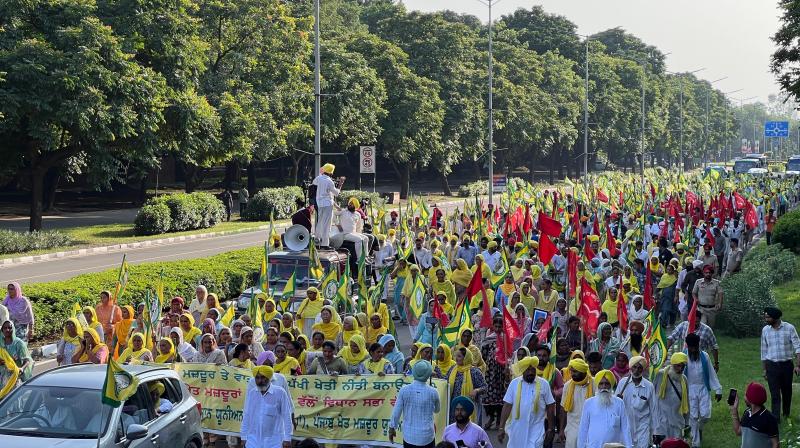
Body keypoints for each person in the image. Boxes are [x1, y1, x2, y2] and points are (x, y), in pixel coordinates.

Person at [497, 356, 556, 448]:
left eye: (533, 369)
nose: (531, 372)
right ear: (523, 371)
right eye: (528, 370)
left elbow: (550, 405)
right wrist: (501, 427)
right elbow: (507, 405)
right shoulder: (514, 383)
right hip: (517, 428)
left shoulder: (544, 384)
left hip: (536, 427)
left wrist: (551, 428)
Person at [760, 306, 800, 421]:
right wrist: (764, 369)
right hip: (771, 366)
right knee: (775, 394)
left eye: (768, 317)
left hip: (786, 365)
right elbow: (764, 350)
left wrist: (798, 365)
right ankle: (775, 418)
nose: (766, 319)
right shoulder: (765, 330)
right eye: (765, 316)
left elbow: (798, 347)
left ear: (776, 317)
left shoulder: (789, 328)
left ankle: (786, 414)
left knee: (787, 392)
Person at [389, 360, 440, 447]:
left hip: (409, 437)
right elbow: (437, 410)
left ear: (414, 372)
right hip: (427, 437)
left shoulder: (404, 390)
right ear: (428, 374)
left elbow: (396, 412)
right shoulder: (433, 392)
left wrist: (391, 429)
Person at [577, 369, 632, 448]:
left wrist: (629, 446)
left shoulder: (619, 403)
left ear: (611, 385)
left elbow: (625, 428)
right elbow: (583, 429)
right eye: (601, 384)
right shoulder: (589, 403)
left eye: (607, 384)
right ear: (597, 385)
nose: (604, 387)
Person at [241, 366, 293, 448]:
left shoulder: (280, 392)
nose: (259, 381)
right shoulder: (252, 393)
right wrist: (243, 436)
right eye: (257, 378)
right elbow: (246, 415)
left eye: (262, 377)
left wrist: (287, 438)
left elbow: (286, 415)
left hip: (274, 441)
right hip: (253, 440)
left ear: (269, 378)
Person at [685, 332, 722, 447]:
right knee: (693, 417)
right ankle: (696, 443)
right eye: (691, 348)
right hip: (690, 389)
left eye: (695, 347)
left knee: (706, 415)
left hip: (703, 388)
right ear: (688, 347)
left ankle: (699, 428)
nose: (693, 350)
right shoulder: (683, 357)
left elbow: (711, 373)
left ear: (698, 346)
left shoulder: (704, 356)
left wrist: (718, 389)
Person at [615, 356, 656, 448]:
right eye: (634, 367)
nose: (637, 370)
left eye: (639, 368)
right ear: (630, 368)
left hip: (643, 427)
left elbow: (654, 410)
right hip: (626, 426)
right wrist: (618, 400)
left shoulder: (649, 386)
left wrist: (655, 432)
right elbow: (615, 406)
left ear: (643, 369)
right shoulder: (622, 383)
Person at [729, 382, 779, 448]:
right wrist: (734, 411)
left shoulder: (769, 419)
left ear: (751, 399)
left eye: (746, 395)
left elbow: (776, 444)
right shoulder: (747, 413)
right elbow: (738, 432)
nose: (744, 397)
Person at [653, 353, 689, 441]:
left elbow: (687, 402)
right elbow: (652, 392)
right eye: (678, 366)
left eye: (683, 366)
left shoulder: (684, 379)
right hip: (661, 420)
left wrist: (687, 422)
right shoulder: (661, 374)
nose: (680, 369)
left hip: (677, 420)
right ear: (672, 364)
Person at [559, 358, 594, 448]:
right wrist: (561, 429)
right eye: (571, 371)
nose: (572, 374)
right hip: (572, 427)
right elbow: (563, 408)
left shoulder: (594, 383)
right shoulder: (567, 385)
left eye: (575, 372)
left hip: (591, 426)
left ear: (582, 371)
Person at [313, 163, 341, 247]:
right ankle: (325, 244)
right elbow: (336, 193)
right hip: (328, 204)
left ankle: (317, 239)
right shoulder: (330, 181)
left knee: (320, 222)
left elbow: (314, 183)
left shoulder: (319, 178)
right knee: (327, 224)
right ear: (331, 173)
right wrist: (339, 185)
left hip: (320, 203)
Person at [0, 320, 32, 391]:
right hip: (2, 377)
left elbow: (27, 360)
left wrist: (22, 368)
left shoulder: (19, 343)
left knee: (14, 399)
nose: (7, 330)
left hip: (15, 377)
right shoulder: (0, 344)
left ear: (13, 329)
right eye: (5, 328)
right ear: (2, 330)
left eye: (9, 327)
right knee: (3, 399)